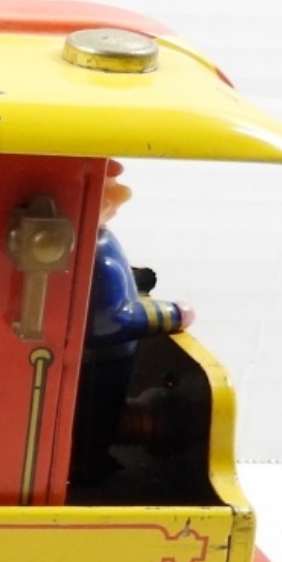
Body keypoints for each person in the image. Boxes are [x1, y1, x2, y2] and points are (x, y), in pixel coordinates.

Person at [72, 164, 193, 482]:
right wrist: (171, 314)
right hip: (100, 362)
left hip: (109, 359)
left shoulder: (99, 242)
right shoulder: (98, 257)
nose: (119, 200)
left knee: (102, 413)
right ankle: (87, 465)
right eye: (108, 193)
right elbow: (110, 321)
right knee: (96, 416)